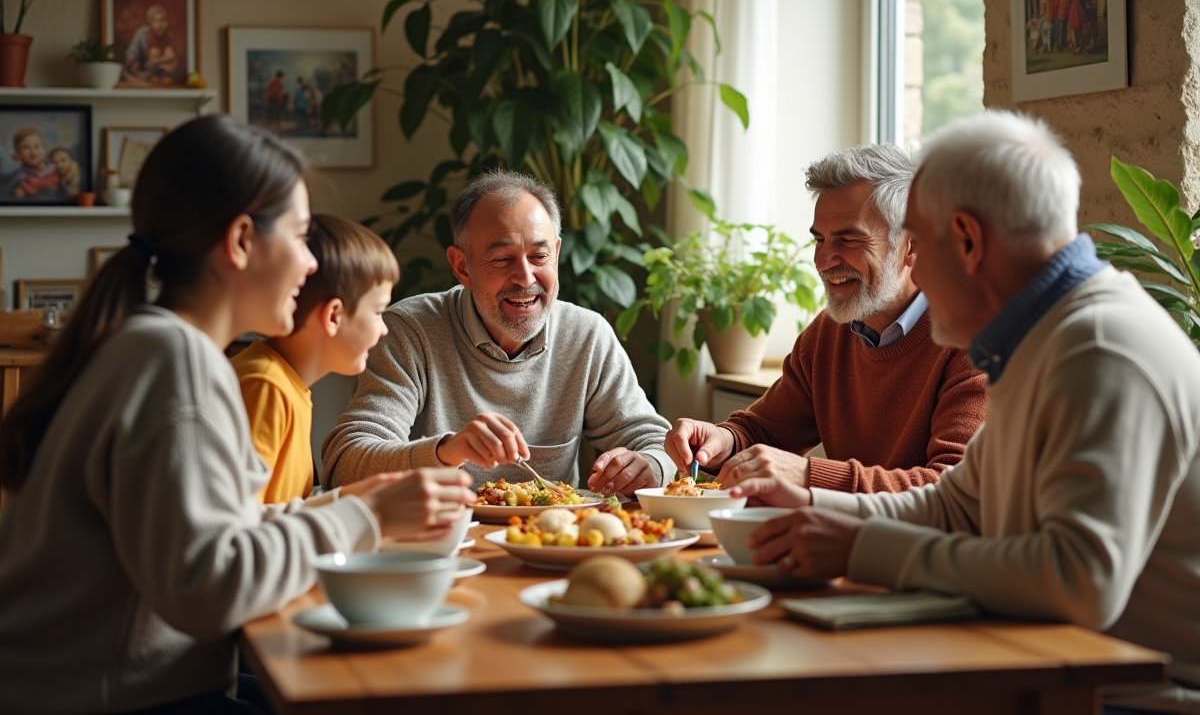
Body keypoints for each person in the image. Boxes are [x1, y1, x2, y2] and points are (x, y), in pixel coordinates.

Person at [0, 114, 475, 714]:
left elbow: (219, 531)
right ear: (242, 241)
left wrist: (347, 503)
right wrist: (365, 513)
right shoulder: (178, 364)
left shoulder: (151, 345)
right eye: (301, 237)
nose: (309, 265)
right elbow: (210, 586)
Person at [734, 110, 1200, 715]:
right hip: (1051, 665)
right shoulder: (1037, 335)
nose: (915, 270)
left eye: (920, 246)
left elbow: (1078, 582)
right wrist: (820, 507)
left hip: (1139, 697)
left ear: (969, 241)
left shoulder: (1099, 348)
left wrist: (858, 547)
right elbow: (959, 503)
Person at [322, 170, 675, 497]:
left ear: (556, 253)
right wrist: (447, 450)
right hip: (440, 545)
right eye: (503, 260)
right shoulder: (410, 332)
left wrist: (651, 466)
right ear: (462, 266)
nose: (525, 278)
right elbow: (345, 463)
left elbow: (656, 441)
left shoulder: (586, 335)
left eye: (539, 256)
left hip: (554, 543)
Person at [664, 144, 987, 495]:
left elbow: (955, 491)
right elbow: (766, 431)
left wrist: (809, 475)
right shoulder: (830, 332)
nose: (824, 261)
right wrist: (722, 440)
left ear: (912, 246)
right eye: (819, 239)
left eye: (848, 239)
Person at [232, 213, 400, 504]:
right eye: (377, 312)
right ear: (334, 315)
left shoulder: (288, 386)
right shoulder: (265, 387)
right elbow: (243, 525)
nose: (384, 329)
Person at [122, 3, 183, 86]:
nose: (159, 25)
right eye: (155, 21)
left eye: (162, 20)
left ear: (167, 21)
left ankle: (159, 78)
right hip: (144, 66)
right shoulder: (142, 34)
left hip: (160, 66)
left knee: (170, 66)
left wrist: (157, 61)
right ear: (149, 23)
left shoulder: (169, 35)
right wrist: (128, 66)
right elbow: (132, 53)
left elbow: (172, 56)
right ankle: (151, 78)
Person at [8, 127, 61, 199]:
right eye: (26, 148)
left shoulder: (54, 168)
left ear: (43, 148)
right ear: (18, 153)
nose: (33, 152)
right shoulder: (20, 179)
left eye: (37, 146)